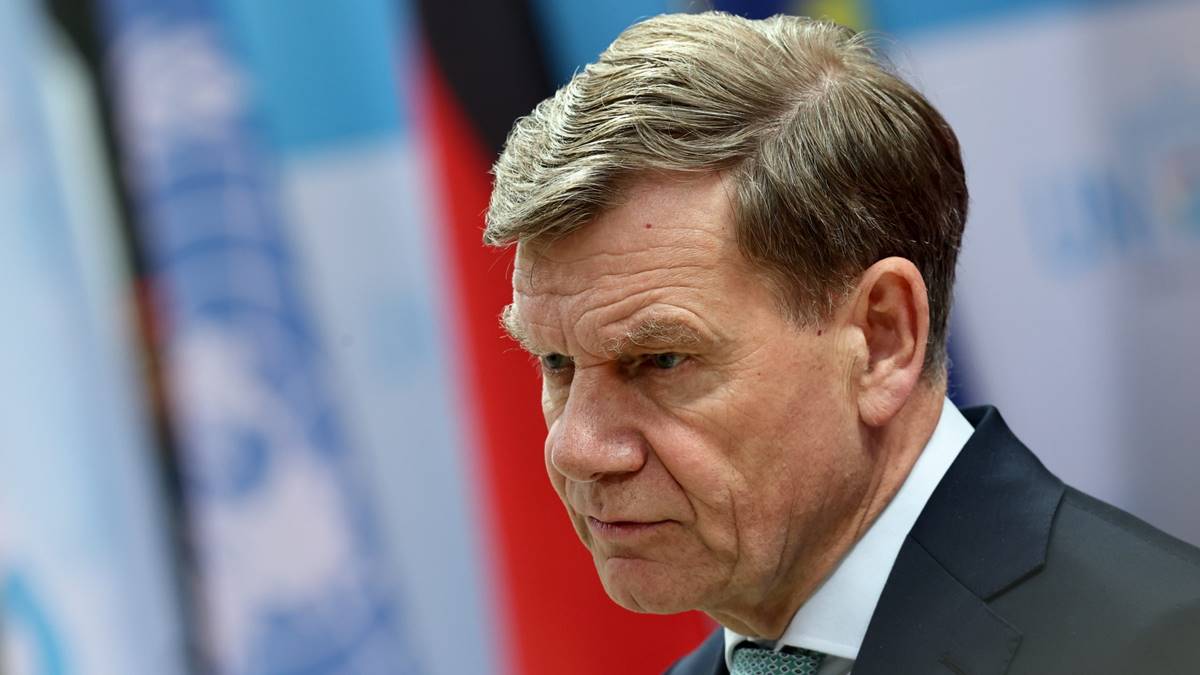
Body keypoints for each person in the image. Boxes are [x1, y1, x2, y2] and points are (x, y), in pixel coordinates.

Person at [484, 12, 1200, 675]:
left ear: (883, 340)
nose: (576, 447)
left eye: (661, 360)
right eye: (556, 362)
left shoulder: (1154, 645)